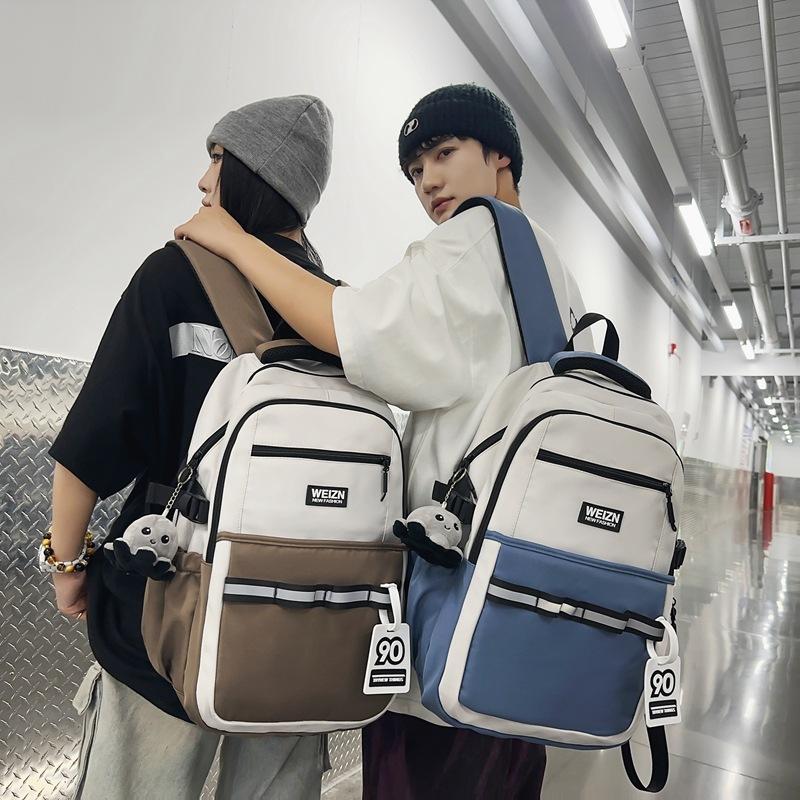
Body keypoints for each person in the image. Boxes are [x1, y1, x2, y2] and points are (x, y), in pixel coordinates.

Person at [174, 83, 588, 799]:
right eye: (415, 170)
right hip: (529, 602)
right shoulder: (554, 270)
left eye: (444, 154)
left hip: (453, 602)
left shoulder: (474, 238)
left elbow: (351, 328)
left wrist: (232, 239)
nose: (428, 181)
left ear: (500, 155)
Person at [46, 95, 335, 800]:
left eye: (217, 159)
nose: (204, 181)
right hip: (301, 630)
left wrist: (68, 564)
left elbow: (92, 445)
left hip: (168, 619)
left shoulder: (174, 276)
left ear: (255, 176)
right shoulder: (336, 310)